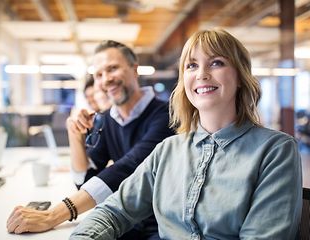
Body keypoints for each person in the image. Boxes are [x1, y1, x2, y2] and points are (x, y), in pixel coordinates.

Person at [69, 29, 303, 240]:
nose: (201, 74)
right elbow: (114, 211)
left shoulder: (276, 150)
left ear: (240, 77)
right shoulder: (167, 150)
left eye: (216, 63)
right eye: (191, 66)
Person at [6, 40, 174, 239]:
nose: (106, 80)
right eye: (99, 75)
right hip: (128, 221)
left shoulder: (165, 114)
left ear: (134, 69)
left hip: (162, 224)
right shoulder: (107, 120)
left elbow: (128, 169)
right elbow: (86, 181)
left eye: (112, 69)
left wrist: (53, 215)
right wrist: (74, 134)